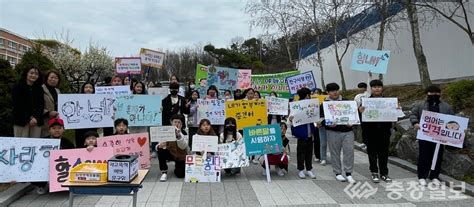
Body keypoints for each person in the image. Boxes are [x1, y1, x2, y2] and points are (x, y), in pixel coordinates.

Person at [410, 85, 455, 186]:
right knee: (424, 156)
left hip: (440, 136)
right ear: (427, 93)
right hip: (425, 135)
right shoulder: (420, 105)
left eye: (437, 92)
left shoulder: (446, 106)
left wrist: (460, 129)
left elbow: (453, 119)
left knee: (438, 156)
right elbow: (413, 115)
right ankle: (422, 176)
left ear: (440, 94)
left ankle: (434, 176)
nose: (434, 94)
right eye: (431, 92)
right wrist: (415, 123)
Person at [359, 80, 393, 183]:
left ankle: (384, 173)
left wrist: (397, 109)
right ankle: (374, 172)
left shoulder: (389, 101)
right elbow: (360, 117)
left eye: (379, 86)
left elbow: (396, 116)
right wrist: (360, 111)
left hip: (384, 131)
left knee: (384, 153)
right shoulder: (365, 102)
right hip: (370, 132)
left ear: (382, 88)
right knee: (372, 153)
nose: (377, 88)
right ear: (371, 89)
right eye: (374, 87)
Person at [320, 83, 355, 183]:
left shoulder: (347, 101)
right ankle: (338, 173)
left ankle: (348, 173)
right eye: (331, 91)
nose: (334, 92)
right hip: (332, 131)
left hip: (348, 131)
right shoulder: (324, 104)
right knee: (334, 152)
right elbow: (320, 119)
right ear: (328, 92)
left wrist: (352, 123)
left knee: (349, 151)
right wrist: (327, 124)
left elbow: (353, 115)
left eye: (336, 90)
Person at [34, 118, 75, 194]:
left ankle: (61, 185)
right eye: (53, 128)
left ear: (64, 129)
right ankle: (43, 185)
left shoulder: (68, 143)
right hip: (45, 167)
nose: (57, 130)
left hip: (61, 169)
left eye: (59, 128)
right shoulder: (41, 142)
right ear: (49, 130)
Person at [289, 87, 317, 179]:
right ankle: (301, 169)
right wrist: (290, 119)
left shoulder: (312, 104)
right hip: (302, 134)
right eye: (309, 95)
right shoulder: (296, 105)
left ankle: (309, 169)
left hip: (310, 132)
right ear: (306, 95)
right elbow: (290, 119)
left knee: (309, 152)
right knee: (301, 152)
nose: (310, 96)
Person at [12, 66, 44, 138]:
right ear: (26, 74)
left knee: (35, 144)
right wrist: (29, 118)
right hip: (21, 120)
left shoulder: (39, 89)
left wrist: (36, 118)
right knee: (21, 144)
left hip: (36, 121)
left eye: (36, 74)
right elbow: (18, 105)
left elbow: (41, 104)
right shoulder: (18, 87)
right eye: (31, 73)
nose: (34, 75)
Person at [156, 114, 190, 181]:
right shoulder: (166, 131)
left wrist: (178, 136)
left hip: (181, 155)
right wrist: (160, 146)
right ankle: (164, 172)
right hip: (170, 153)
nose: (177, 124)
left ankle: (177, 167)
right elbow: (158, 145)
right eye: (175, 122)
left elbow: (183, 146)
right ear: (171, 122)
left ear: (182, 124)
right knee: (160, 150)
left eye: (179, 122)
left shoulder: (184, 133)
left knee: (180, 174)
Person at [41, 70, 61, 137]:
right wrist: (48, 112)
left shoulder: (58, 91)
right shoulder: (40, 90)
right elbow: (36, 106)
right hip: (44, 122)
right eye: (51, 77)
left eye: (56, 78)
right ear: (47, 78)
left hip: (56, 123)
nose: (53, 79)